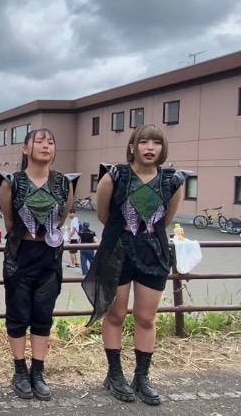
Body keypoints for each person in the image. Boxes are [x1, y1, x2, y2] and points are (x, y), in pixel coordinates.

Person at [82, 124, 186, 406]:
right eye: (144, 142)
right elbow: (104, 216)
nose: (150, 147)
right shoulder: (114, 176)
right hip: (118, 248)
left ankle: (142, 376)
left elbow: (165, 221)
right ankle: (114, 374)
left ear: (163, 148)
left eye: (156, 143)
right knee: (115, 314)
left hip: (153, 250)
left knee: (146, 317)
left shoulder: (173, 181)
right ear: (132, 146)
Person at [0, 128, 77, 402]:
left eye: (50, 142)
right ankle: (19, 369)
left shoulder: (64, 184)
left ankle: (38, 371)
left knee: (43, 315)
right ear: (25, 149)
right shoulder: (12, 182)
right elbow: (9, 222)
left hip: (50, 256)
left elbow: (62, 219)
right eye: (39, 141)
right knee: (18, 314)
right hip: (20, 254)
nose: (45, 146)